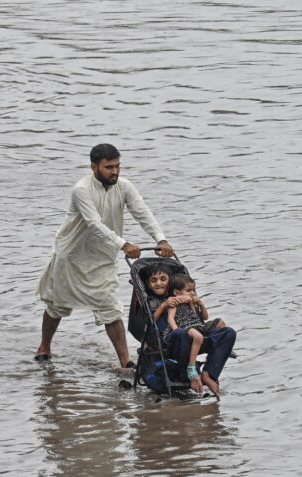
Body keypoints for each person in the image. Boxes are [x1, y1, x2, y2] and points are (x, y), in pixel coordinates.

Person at [35, 143, 174, 368]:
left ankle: (124, 361)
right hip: (72, 257)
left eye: (118, 166)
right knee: (57, 306)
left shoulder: (124, 186)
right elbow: (93, 224)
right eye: (109, 167)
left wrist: (161, 238)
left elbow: (142, 212)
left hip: (102, 258)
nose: (115, 172)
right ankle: (44, 347)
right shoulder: (81, 189)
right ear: (94, 167)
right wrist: (124, 244)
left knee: (111, 308)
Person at [145, 266, 237, 397]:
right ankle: (192, 373)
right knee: (180, 333)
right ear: (148, 284)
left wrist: (195, 301)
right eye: (154, 280)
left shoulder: (186, 297)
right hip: (173, 341)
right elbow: (150, 322)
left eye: (163, 279)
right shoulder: (152, 301)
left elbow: (202, 317)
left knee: (228, 332)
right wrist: (164, 305)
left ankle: (208, 374)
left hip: (195, 334)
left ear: (170, 282)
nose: (159, 283)